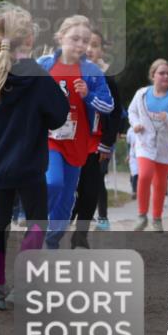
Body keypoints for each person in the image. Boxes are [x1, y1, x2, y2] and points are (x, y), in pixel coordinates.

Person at [0, 4, 68, 310]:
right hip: (30, 163)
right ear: (28, 39)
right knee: (36, 221)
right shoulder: (38, 76)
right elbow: (58, 115)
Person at [38, 15, 114, 249]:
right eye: (75, 39)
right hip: (49, 139)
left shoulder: (91, 71)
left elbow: (109, 105)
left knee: (67, 198)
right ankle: (37, 222)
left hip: (78, 141)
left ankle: (51, 241)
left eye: (85, 40)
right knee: (53, 183)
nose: (80, 45)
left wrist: (88, 96)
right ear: (61, 37)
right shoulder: (44, 65)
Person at [69, 28, 122, 246]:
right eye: (86, 44)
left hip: (95, 145)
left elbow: (116, 112)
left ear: (101, 51)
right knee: (68, 189)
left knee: (90, 191)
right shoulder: (68, 73)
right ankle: (59, 227)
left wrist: (107, 143)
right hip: (68, 143)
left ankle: (80, 235)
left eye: (95, 45)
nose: (90, 49)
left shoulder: (106, 80)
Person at [127, 59, 168, 232]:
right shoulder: (142, 94)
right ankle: (141, 216)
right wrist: (135, 123)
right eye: (161, 73)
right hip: (145, 142)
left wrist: (167, 117)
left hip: (165, 146)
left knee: (160, 183)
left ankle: (157, 219)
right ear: (153, 75)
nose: (165, 76)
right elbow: (132, 111)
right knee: (144, 175)